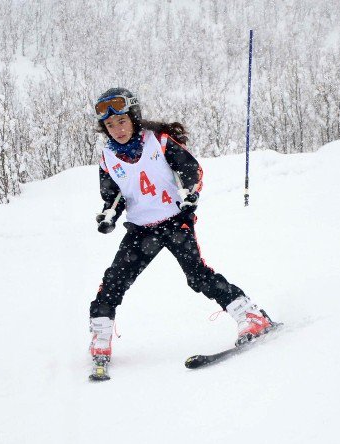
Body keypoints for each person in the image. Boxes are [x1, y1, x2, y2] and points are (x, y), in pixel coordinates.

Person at [89, 87, 274, 363]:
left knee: (197, 275)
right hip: (141, 229)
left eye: (122, 121)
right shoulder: (108, 158)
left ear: (134, 117)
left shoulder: (159, 141)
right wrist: (108, 217)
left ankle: (250, 315)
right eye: (110, 124)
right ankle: (100, 336)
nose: (117, 129)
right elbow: (112, 197)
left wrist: (190, 194)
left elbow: (191, 170)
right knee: (114, 280)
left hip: (175, 222)